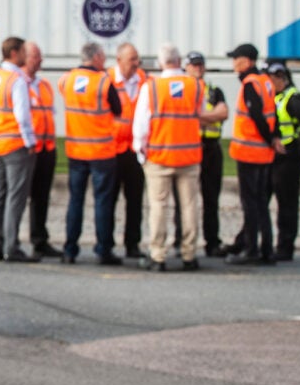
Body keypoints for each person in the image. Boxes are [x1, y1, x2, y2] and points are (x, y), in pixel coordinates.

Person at [132, 44, 203, 271]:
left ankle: (158, 254)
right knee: (190, 206)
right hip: (189, 155)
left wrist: (140, 150)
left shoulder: (151, 88)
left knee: (158, 206)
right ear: (180, 61)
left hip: (160, 156)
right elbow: (198, 113)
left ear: (161, 63)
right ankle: (189, 254)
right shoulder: (195, 86)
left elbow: (141, 124)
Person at [58, 42, 123, 265]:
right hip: (101, 151)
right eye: (103, 56)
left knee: (75, 201)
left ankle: (70, 250)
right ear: (96, 57)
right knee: (102, 203)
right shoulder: (104, 81)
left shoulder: (66, 79)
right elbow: (118, 109)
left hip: (76, 150)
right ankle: (104, 249)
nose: (105, 60)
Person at [225, 42, 283, 266]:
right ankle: (266, 250)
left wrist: (269, 138)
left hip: (250, 152)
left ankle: (251, 250)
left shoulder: (250, 84)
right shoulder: (266, 82)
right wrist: (274, 139)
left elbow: (258, 116)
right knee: (260, 202)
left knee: (250, 204)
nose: (233, 63)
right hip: (263, 153)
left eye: (236, 59)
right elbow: (273, 114)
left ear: (247, 61)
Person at [0, 36, 39, 262]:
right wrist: (30, 141)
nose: (26, 55)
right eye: (24, 51)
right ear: (15, 53)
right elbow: (22, 115)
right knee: (16, 196)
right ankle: (11, 246)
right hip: (15, 144)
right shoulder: (16, 79)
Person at [172, 51, 229, 256]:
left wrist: (197, 116)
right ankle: (181, 240)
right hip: (189, 147)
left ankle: (212, 242)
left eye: (200, 65)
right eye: (193, 65)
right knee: (184, 200)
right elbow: (181, 116)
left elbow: (223, 113)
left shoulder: (214, 91)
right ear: (185, 67)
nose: (197, 68)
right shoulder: (180, 89)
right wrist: (208, 117)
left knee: (211, 198)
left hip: (211, 148)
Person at [267, 62, 300, 261]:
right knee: (262, 198)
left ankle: (285, 247)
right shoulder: (275, 97)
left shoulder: (294, 99)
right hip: (274, 156)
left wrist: (299, 144)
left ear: (281, 78)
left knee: (287, 202)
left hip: (289, 157)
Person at [109, 43, 147, 258]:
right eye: (132, 59)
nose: (136, 63)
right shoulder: (107, 80)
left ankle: (132, 244)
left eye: (137, 59)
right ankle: (106, 244)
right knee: (109, 200)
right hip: (112, 150)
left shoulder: (144, 80)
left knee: (135, 201)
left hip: (135, 150)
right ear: (119, 60)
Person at [24, 40, 61, 259]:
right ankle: (8, 241)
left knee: (42, 196)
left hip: (47, 148)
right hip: (29, 149)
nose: (40, 60)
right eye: (36, 56)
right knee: (19, 197)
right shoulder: (19, 83)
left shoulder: (44, 84)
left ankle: (40, 239)